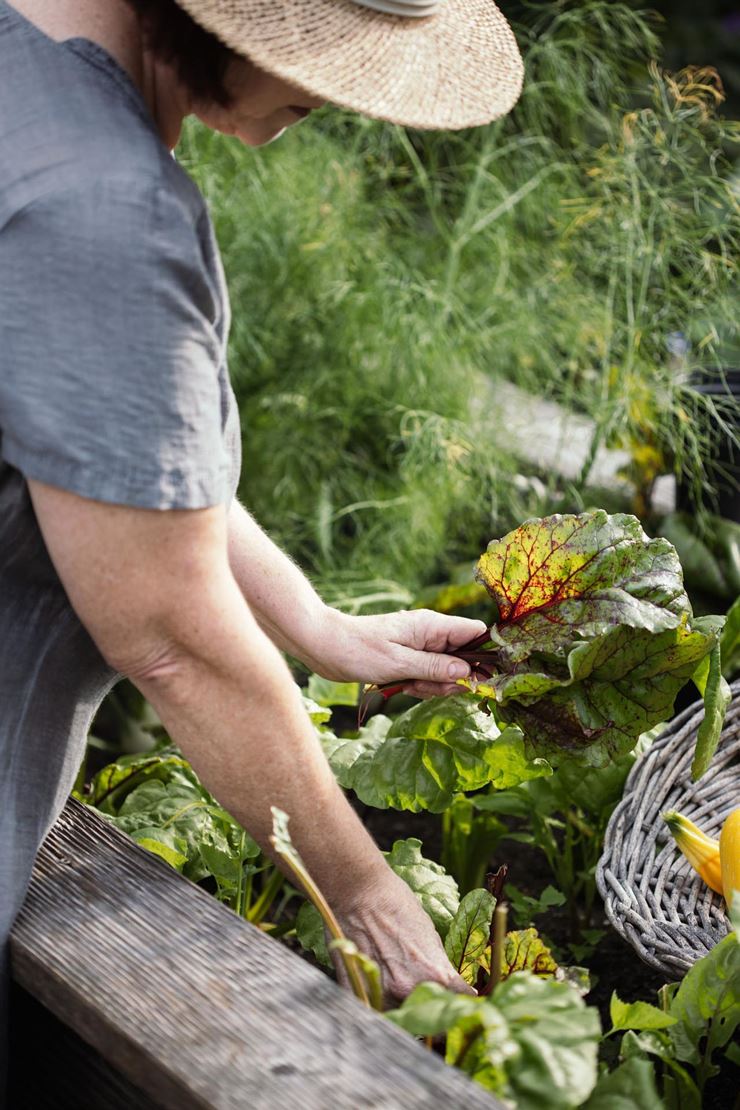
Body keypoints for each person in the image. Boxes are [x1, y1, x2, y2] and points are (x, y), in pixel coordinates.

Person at [0, 0, 523, 1090]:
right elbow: (170, 644)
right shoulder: (102, 206)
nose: (334, 92)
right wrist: (369, 899)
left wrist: (315, 627)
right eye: (322, 52)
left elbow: (107, 454)